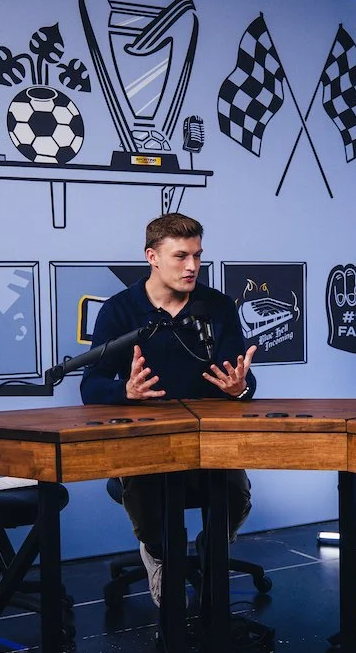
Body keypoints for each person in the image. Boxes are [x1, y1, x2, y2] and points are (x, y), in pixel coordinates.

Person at [79, 213, 258, 607]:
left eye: (197, 255)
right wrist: (125, 391)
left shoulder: (219, 307)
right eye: (180, 256)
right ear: (152, 257)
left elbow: (241, 377)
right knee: (147, 493)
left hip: (210, 444)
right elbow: (89, 384)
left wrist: (240, 388)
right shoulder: (119, 311)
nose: (192, 266)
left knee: (235, 495)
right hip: (147, 443)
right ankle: (158, 554)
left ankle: (211, 553)